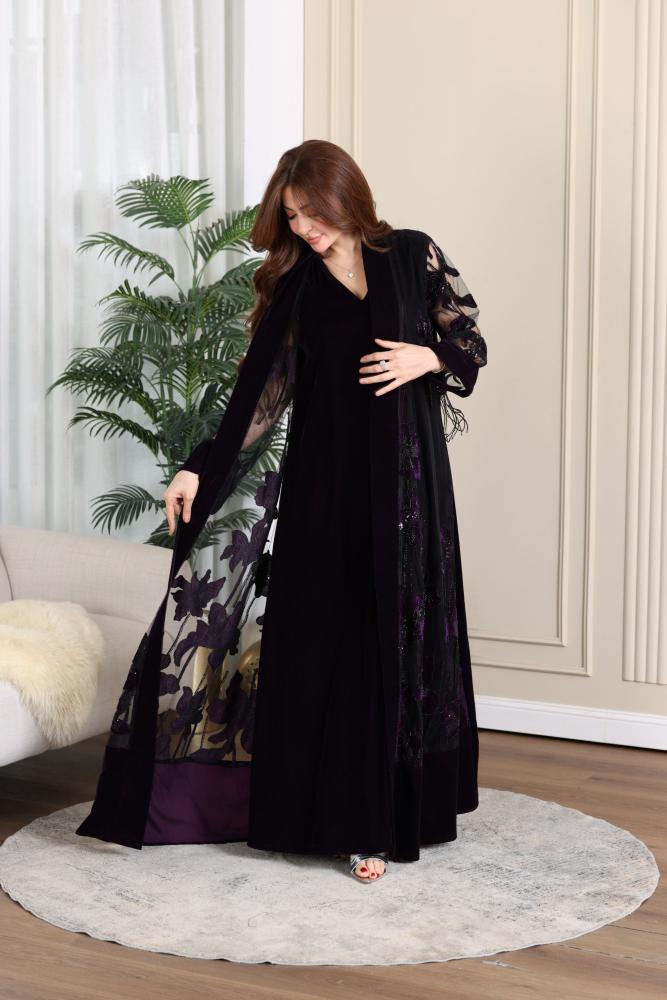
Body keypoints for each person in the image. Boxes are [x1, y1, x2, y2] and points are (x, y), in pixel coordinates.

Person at [159, 139, 488, 883]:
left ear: (347, 197)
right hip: (325, 487)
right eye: (293, 216)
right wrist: (196, 467)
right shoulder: (298, 289)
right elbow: (258, 402)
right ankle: (347, 817)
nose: (304, 228)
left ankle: (390, 813)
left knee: (392, 637)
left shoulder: (411, 255)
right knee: (331, 640)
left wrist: (429, 357)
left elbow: (469, 337)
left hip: (408, 490)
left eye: (313, 212)